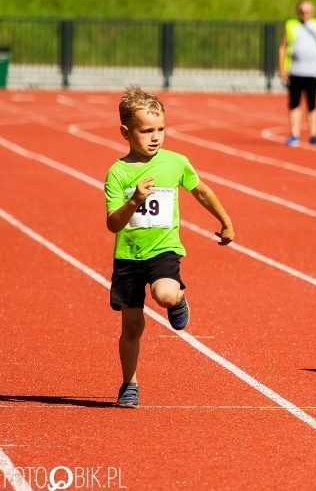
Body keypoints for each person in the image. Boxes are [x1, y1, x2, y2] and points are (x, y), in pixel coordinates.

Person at [105, 86, 235, 408]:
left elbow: (201, 191)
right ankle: (129, 384)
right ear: (126, 132)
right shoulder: (118, 173)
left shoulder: (175, 163)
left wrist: (226, 221)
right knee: (132, 325)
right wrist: (134, 199)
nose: (155, 137)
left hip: (164, 250)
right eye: (146, 130)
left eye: (160, 129)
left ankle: (177, 298)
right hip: (128, 256)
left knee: (163, 294)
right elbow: (113, 223)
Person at [278, 0, 316, 147]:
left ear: (312, 12)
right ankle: (294, 134)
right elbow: (283, 47)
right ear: (298, 12)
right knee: (294, 103)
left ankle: (313, 134)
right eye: (302, 11)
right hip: (295, 71)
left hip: (313, 71)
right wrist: (282, 68)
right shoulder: (291, 25)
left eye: (307, 11)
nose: (304, 13)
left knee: (312, 104)